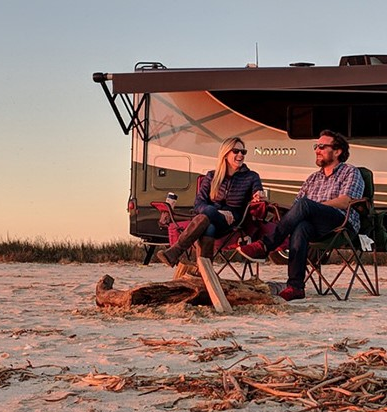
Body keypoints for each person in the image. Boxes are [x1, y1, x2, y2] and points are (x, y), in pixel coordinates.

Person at [237, 129, 364, 301]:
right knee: (301, 227)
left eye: (321, 146)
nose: (316, 150)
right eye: (315, 146)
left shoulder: (350, 171)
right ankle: (296, 287)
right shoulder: (313, 178)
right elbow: (296, 207)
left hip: (341, 222)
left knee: (305, 205)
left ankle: (266, 246)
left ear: (337, 151)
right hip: (315, 226)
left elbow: (345, 201)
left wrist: (312, 207)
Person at [155, 137, 265, 267]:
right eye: (236, 151)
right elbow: (198, 204)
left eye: (243, 152)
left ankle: (175, 251)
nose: (240, 155)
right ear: (225, 153)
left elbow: (258, 192)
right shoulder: (212, 176)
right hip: (210, 219)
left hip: (231, 221)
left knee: (206, 214)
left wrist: (259, 195)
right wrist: (217, 212)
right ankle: (205, 271)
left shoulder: (251, 177)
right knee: (209, 224)